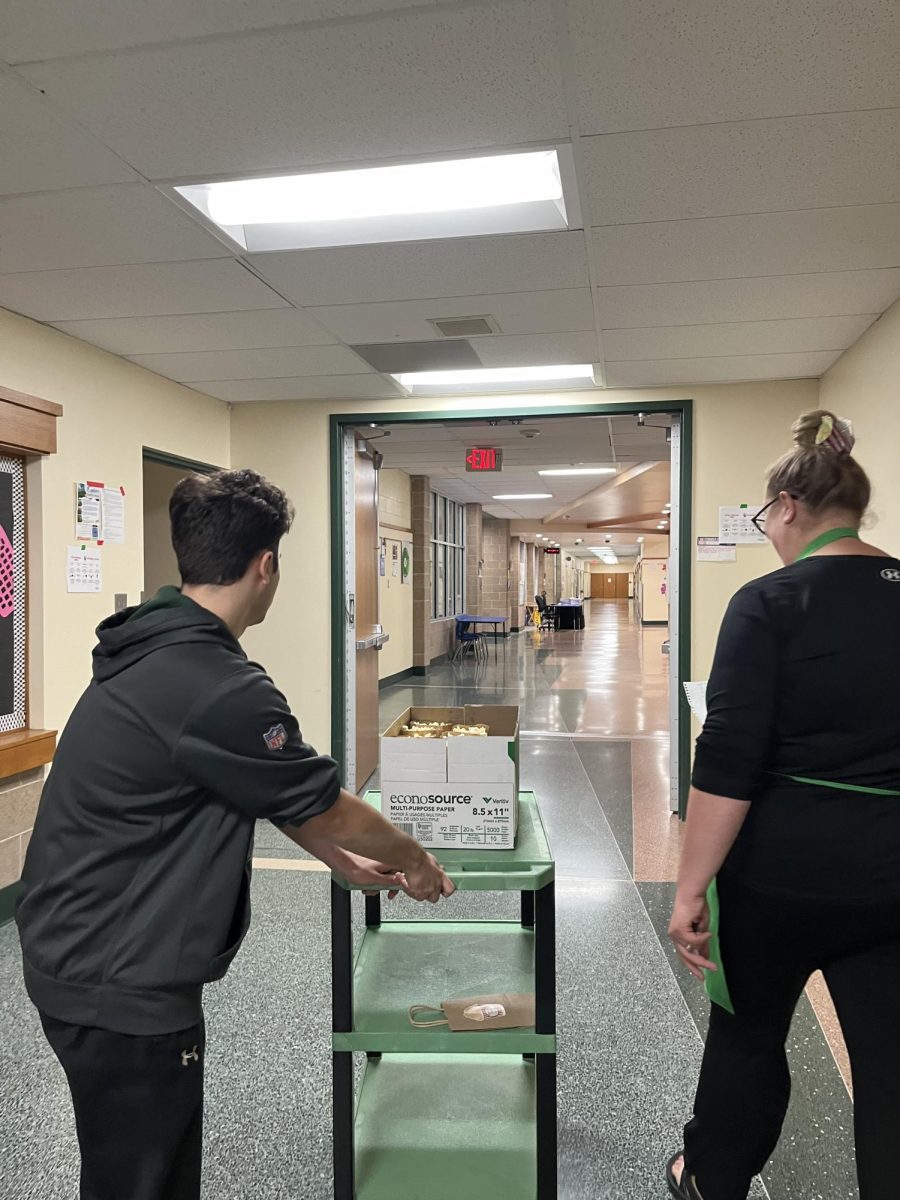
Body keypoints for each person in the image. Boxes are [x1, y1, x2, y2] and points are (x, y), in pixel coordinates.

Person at [17, 468, 454, 1200]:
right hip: (117, 982)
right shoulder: (217, 683)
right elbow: (331, 802)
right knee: (140, 1179)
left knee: (143, 1165)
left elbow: (258, 783)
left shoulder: (154, 644)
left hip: (77, 947)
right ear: (266, 566)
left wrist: (334, 860)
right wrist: (415, 860)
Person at [667, 411, 900, 1200]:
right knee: (893, 1062)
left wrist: (692, 886)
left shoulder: (770, 601)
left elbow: (729, 759)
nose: (770, 533)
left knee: (748, 1037)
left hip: (779, 872)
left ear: (790, 507)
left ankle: (714, 1176)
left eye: (767, 518)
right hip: (894, 871)